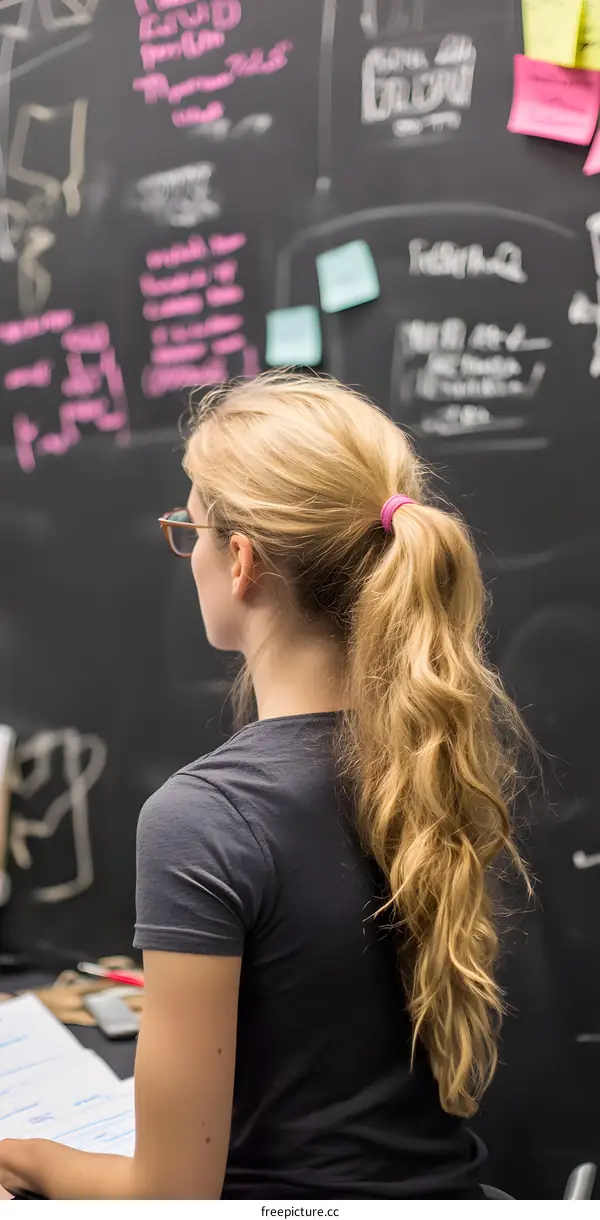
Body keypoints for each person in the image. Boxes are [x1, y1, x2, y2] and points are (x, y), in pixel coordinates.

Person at [0, 372, 528, 1200]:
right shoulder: (434, 759)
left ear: (241, 561)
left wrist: (23, 1155)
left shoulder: (204, 818)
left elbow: (170, 1197)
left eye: (192, 528)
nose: (191, 551)